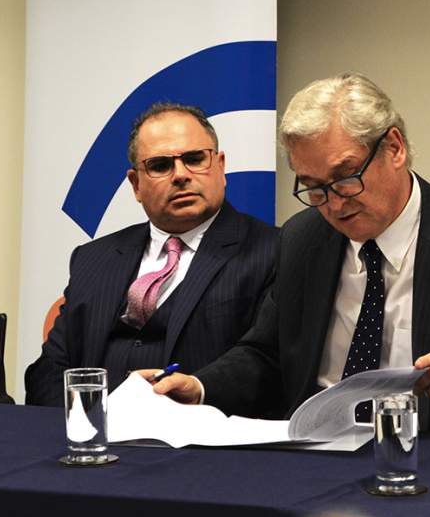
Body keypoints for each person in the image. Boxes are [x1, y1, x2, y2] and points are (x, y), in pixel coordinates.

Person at [152, 74, 430, 441]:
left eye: (345, 177)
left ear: (394, 147)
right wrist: (199, 386)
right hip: (320, 453)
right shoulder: (302, 238)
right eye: (313, 187)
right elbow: (268, 354)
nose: (334, 204)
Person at [24, 103, 277, 402]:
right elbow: (50, 370)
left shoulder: (272, 249)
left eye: (195, 159)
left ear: (220, 167)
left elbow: (269, 362)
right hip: (96, 425)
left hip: (201, 426)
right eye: (160, 165)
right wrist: (90, 417)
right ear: (136, 185)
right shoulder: (92, 258)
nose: (181, 175)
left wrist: (198, 390)